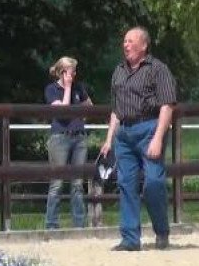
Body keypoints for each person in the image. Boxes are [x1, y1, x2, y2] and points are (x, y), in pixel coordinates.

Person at [101, 27, 177, 251]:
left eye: (131, 41)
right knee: (126, 185)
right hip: (124, 133)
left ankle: (161, 231)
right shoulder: (118, 71)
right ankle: (130, 238)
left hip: (150, 128)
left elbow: (167, 105)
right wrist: (109, 139)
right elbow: (116, 109)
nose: (126, 45)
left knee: (153, 182)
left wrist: (158, 137)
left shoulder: (158, 69)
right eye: (124, 41)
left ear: (144, 45)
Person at [44, 56, 93, 229]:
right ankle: (51, 225)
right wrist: (67, 87)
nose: (74, 74)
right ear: (62, 72)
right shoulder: (51, 90)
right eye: (71, 71)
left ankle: (79, 225)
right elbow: (63, 111)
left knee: (78, 184)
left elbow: (89, 105)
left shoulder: (80, 88)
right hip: (60, 138)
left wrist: (81, 119)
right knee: (57, 184)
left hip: (79, 137)